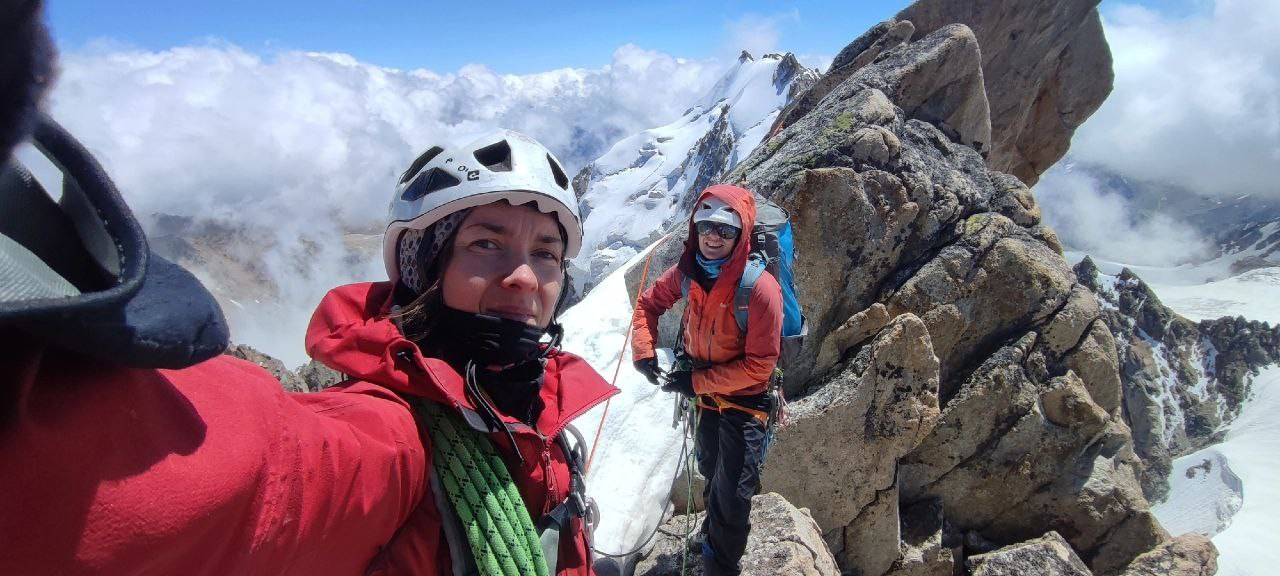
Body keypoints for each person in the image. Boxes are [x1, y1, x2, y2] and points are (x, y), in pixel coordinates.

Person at [0, 5, 616, 573]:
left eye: (547, 253)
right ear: (424, 268)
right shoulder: (390, 445)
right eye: (486, 243)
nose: (523, 277)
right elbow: (238, 476)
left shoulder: (538, 412)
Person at [630, 184, 783, 576]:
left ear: (741, 235)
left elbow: (760, 367)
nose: (714, 237)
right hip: (705, 398)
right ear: (696, 228)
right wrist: (644, 352)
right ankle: (713, 529)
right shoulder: (687, 274)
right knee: (712, 466)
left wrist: (695, 383)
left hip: (746, 402)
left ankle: (721, 564)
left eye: (726, 231)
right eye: (706, 227)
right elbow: (648, 304)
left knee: (733, 492)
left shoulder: (760, 289)